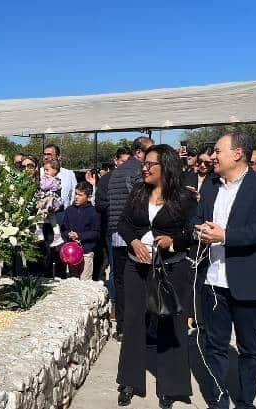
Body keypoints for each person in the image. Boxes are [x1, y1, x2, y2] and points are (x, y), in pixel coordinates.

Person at [193, 132, 256, 409]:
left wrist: (226, 236)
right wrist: (198, 231)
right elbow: (195, 220)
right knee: (215, 346)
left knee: (249, 350)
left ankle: (245, 402)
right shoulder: (210, 185)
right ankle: (219, 401)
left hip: (249, 282)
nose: (212, 156)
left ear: (238, 154)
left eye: (218, 151)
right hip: (213, 282)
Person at [116, 145, 197, 409]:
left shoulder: (184, 198)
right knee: (133, 322)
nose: (145, 168)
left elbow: (192, 233)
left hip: (171, 268)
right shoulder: (139, 192)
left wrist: (172, 241)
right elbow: (124, 224)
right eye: (145, 163)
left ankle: (171, 387)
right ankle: (130, 382)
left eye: (151, 164)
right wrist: (134, 241)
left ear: (167, 167)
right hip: (136, 267)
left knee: (171, 325)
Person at [96, 136, 154, 337]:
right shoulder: (141, 172)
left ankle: (121, 327)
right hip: (136, 236)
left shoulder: (113, 175)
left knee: (120, 282)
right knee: (141, 282)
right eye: (150, 151)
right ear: (139, 153)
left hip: (115, 235)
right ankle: (140, 329)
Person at [60, 181, 100, 280]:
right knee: (73, 281)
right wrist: (68, 234)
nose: (76, 197)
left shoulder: (93, 212)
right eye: (76, 194)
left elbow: (96, 232)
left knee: (85, 282)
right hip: (71, 252)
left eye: (80, 195)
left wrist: (80, 236)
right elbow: (63, 228)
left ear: (88, 197)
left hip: (86, 252)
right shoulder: (69, 210)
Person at [35, 159, 65, 247]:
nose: (45, 172)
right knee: (52, 220)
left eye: (47, 170)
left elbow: (44, 187)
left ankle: (39, 233)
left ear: (55, 170)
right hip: (50, 201)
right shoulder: (55, 179)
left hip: (48, 201)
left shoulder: (52, 179)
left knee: (39, 216)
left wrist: (41, 182)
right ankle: (57, 236)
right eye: (44, 170)